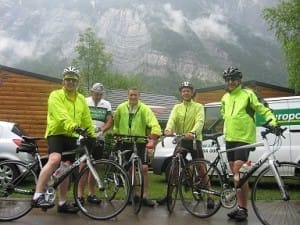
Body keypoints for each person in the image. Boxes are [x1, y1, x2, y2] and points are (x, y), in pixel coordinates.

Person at [31, 66, 95, 213]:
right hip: (56, 134)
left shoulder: (80, 99)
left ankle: (62, 203)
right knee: (54, 159)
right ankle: (37, 195)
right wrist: (73, 126)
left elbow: (87, 119)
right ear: (63, 81)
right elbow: (61, 115)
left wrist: (92, 135)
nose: (71, 82)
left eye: (74, 80)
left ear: (77, 82)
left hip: (71, 136)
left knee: (66, 169)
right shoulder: (55, 95)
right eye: (68, 79)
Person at [221, 66, 278, 221]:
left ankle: (243, 209)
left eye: (233, 79)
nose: (231, 82)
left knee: (239, 172)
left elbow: (262, 109)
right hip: (229, 139)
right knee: (236, 175)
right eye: (228, 79)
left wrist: (272, 121)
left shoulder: (248, 94)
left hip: (244, 137)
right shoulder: (225, 98)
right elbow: (223, 114)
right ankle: (240, 207)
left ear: (239, 80)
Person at [156, 81, 214, 209]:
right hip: (182, 140)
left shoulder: (198, 106)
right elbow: (171, 120)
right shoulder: (177, 107)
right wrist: (168, 129)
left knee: (200, 167)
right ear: (181, 93)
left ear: (192, 92)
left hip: (194, 140)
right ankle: (169, 196)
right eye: (183, 91)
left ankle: (210, 196)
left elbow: (200, 121)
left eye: (188, 90)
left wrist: (193, 132)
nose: (186, 92)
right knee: (174, 166)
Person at [113, 87, 161, 207]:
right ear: (127, 96)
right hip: (125, 141)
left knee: (144, 168)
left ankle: (145, 196)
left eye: (135, 95)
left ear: (139, 96)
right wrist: (116, 134)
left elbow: (154, 123)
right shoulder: (120, 108)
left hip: (140, 141)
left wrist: (153, 137)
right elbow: (116, 123)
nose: (133, 97)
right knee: (128, 169)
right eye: (131, 95)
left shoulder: (144, 109)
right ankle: (131, 194)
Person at [77, 82, 113, 204]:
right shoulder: (85, 101)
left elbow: (109, 122)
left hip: (99, 139)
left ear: (102, 94)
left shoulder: (106, 104)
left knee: (95, 166)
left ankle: (91, 194)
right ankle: (79, 195)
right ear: (91, 92)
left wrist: (102, 130)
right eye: (95, 93)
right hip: (85, 138)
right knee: (83, 166)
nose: (97, 96)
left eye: (100, 94)